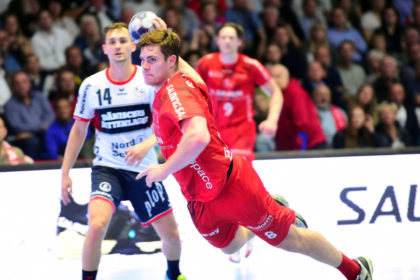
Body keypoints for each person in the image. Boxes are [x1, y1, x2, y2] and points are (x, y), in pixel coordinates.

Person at [135, 27, 374, 280]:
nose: (144, 66)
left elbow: (198, 136)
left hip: (231, 185)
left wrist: (163, 169)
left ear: (171, 62)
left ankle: (355, 270)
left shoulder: (177, 93)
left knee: (289, 240)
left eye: (152, 60)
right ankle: (273, 208)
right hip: (198, 197)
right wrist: (165, 36)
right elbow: (186, 78)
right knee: (228, 246)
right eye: (142, 60)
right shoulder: (187, 79)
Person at [60, 22, 185, 280]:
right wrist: (65, 173)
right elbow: (78, 130)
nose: (117, 46)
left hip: (145, 170)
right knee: (95, 225)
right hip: (108, 169)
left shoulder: (149, 78)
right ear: (105, 49)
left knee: (172, 236)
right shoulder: (92, 86)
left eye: (122, 40)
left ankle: (174, 274)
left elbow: (169, 123)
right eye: (112, 42)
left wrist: (148, 144)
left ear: (132, 46)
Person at [196, 22, 283, 162]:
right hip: (213, 130)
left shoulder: (251, 66)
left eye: (231, 38)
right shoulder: (206, 63)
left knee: (239, 173)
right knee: (216, 176)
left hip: (242, 131)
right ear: (217, 41)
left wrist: (272, 120)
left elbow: (276, 92)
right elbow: (192, 92)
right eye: (223, 37)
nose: (227, 41)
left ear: (240, 42)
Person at [269, 64, 327, 151]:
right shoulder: (280, 94)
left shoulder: (294, 93)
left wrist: (298, 151)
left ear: (286, 76)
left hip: (309, 146)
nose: (275, 80)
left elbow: (302, 124)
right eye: (272, 77)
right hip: (292, 146)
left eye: (278, 76)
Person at [4, 70, 55, 160]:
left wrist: (38, 129)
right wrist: (42, 127)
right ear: (13, 87)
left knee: (56, 134)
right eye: (17, 83)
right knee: (32, 141)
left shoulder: (40, 97)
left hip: (43, 133)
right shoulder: (9, 105)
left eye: (24, 82)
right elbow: (18, 127)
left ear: (29, 83)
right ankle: (31, 169)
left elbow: (50, 116)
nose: (21, 86)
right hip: (24, 139)